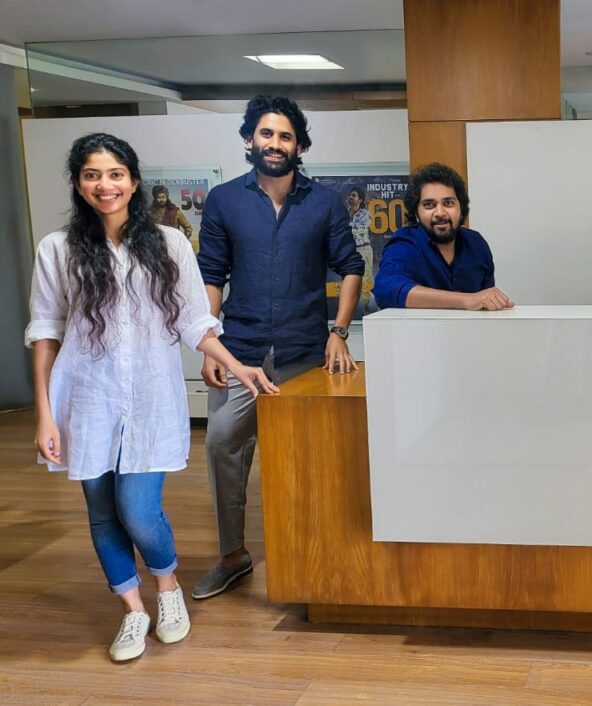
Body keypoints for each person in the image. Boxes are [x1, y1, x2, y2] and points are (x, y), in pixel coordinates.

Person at [26, 133, 277, 662]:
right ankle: (132, 610)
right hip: (85, 400)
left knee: (138, 511)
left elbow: (193, 321)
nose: (105, 185)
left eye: (115, 174)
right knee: (102, 513)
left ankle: (167, 589)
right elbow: (46, 333)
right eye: (92, 175)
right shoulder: (57, 249)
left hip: (150, 399)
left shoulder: (168, 243)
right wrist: (45, 414)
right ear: (78, 183)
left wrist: (236, 365)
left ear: (134, 181)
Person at [193, 95, 364, 600]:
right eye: (266, 134)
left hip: (304, 352)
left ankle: (313, 561)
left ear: (299, 146)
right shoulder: (224, 200)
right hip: (240, 349)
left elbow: (351, 267)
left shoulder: (324, 202)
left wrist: (339, 331)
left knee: (308, 459)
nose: (274, 143)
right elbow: (211, 275)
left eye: (285, 136)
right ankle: (233, 557)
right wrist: (208, 343)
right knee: (222, 446)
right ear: (249, 139)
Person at [373, 162, 513, 310]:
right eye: (429, 205)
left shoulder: (476, 244)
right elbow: (385, 290)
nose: (440, 213)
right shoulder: (405, 244)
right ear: (416, 213)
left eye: (448, 203)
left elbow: (485, 302)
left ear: (461, 208)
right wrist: (467, 300)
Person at [346, 185, 374, 313]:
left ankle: (366, 302)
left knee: (368, 276)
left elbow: (358, 228)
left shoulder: (365, 214)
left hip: (365, 248)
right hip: (353, 250)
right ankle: (355, 303)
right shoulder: (344, 213)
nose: (351, 197)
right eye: (350, 195)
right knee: (354, 276)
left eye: (354, 195)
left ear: (360, 199)